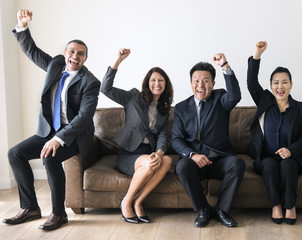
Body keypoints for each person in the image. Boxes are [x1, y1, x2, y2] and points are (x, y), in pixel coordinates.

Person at [3, 9, 100, 231]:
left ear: (86, 58)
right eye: (72, 51)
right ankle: (30, 208)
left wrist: (59, 139)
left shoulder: (90, 82)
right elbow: (32, 51)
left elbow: (84, 117)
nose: (75, 56)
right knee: (15, 153)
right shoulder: (56, 65)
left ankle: (59, 214)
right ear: (65, 53)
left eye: (81, 54)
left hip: (74, 135)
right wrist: (22, 26)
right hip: (48, 129)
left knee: (51, 157)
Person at [100, 48, 173, 224]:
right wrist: (117, 61)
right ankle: (126, 201)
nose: (157, 83)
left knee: (168, 161)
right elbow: (105, 88)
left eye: (161, 81)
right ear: (147, 83)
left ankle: (138, 202)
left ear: (166, 85)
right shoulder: (133, 97)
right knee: (149, 163)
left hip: (149, 152)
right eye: (153, 80)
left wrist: (160, 152)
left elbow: (163, 136)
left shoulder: (165, 110)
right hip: (130, 152)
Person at [172, 54, 245, 228]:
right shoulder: (181, 108)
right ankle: (204, 209)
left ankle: (221, 210)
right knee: (182, 166)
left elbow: (235, 95)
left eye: (206, 81)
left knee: (238, 163)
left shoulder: (221, 99)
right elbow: (176, 139)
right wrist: (192, 155)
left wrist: (225, 66)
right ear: (191, 83)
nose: (201, 85)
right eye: (196, 80)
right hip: (195, 162)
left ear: (213, 83)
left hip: (219, 159)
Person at [247, 41, 302, 225]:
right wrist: (257, 54)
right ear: (271, 85)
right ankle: (275, 206)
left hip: (290, 156)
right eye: (276, 83)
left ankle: (290, 206)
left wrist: (291, 150)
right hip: (265, 156)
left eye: (284, 82)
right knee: (270, 166)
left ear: (291, 85)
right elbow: (251, 82)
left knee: (288, 165)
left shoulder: (301, 109)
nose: (280, 86)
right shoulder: (265, 100)